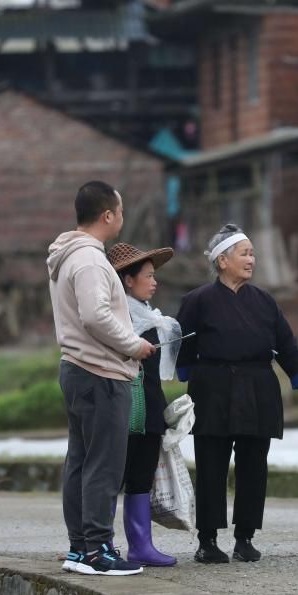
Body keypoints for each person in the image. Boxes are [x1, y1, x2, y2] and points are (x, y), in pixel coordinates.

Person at [176, 223, 298, 564]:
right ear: (222, 261)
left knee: (253, 465)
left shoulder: (264, 302)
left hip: (258, 387)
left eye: (252, 253)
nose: (252, 259)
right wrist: (186, 377)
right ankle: (207, 540)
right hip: (212, 389)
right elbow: (182, 348)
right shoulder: (196, 301)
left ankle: (245, 537)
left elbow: (288, 347)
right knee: (211, 465)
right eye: (245, 253)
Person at [47, 181, 155, 576]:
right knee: (103, 464)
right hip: (100, 371)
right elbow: (95, 316)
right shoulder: (90, 260)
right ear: (108, 215)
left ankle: (80, 548)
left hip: (76, 368)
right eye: (120, 211)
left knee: (80, 460)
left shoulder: (66, 254)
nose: (122, 218)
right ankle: (97, 550)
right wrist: (134, 345)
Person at [107, 242, 179, 567]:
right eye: (148, 276)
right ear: (127, 280)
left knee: (141, 477)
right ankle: (100, 543)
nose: (154, 282)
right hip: (122, 408)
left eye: (154, 275)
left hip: (149, 409)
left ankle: (141, 545)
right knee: (111, 476)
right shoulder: (114, 320)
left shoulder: (152, 318)